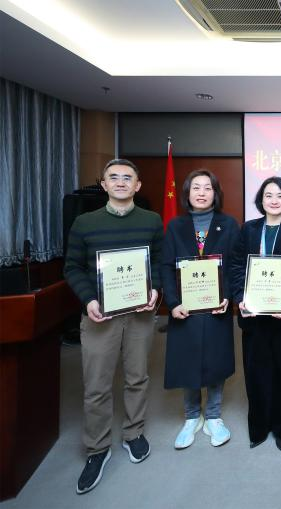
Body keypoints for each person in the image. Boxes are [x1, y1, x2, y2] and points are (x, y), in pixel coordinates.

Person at [64, 159, 162, 494]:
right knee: (96, 385)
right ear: (104, 184)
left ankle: (133, 433)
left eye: (127, 178)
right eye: (113, 177)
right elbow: (72, 267)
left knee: (137, 377)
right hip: (99, 316)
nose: (120, 182)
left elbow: (159, 261)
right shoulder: (84, 222)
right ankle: (98, 448)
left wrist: (155, 290)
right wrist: (89, 299)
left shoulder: (151, 220)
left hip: (139, 315)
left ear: (137, 185)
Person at [230, 176, 281, 455]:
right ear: (260, 200)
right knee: (257, 372)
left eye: (280, 195)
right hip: (254, 314)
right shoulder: (249, 229)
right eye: (268, 195)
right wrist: (240, 297)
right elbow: (237, 265)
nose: (274, 200)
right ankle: (259, 427)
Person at [160, 170, 238, 450]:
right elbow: (166, 266)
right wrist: (172, 303)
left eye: (208, 188)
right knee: (188, 358)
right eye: (196, 187)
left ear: (215, 193)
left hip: (217, 306)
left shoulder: (228, 224)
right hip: (186, 307)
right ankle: (192, 416)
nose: (202, 193)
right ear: (187, 193)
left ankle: (213, 415)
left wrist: (228, 297)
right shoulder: (175, 226)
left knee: (216, 359)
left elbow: (235, 265)